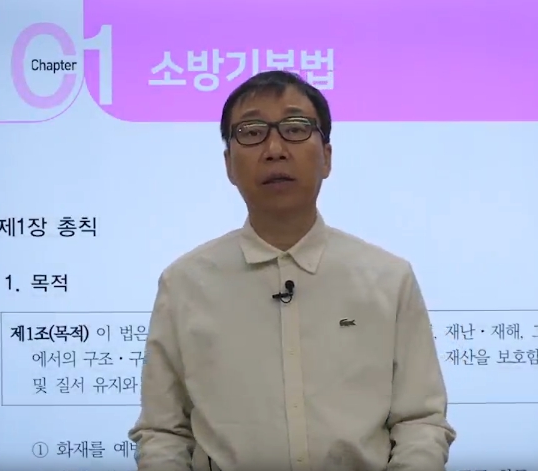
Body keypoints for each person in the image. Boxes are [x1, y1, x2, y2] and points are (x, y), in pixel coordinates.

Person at [129, 70, 455, 471]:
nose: (274, 149)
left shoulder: (389, 278)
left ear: (327, 157)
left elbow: (419, 421)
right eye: (251, 132)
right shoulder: (184, 283)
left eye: (295, 128)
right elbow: (164, 431)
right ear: (229, 164)